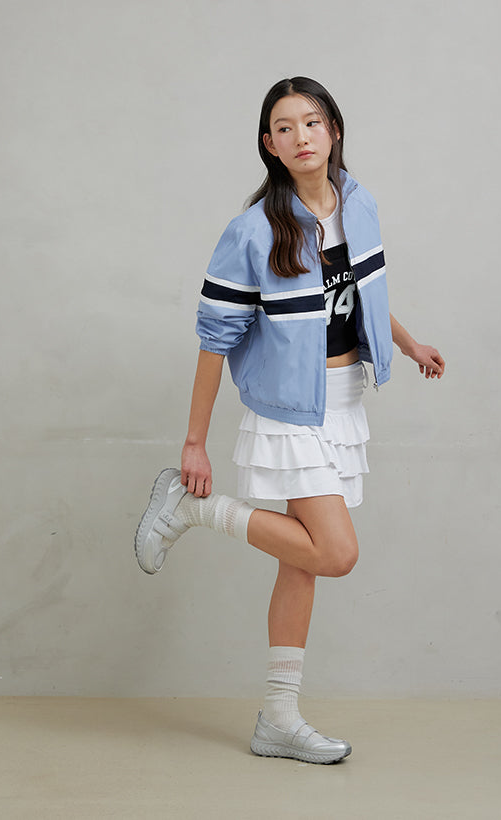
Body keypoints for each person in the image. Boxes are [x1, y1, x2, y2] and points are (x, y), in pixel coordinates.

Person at [134, 77, 445, 764]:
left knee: (299, 563)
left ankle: (278, 718)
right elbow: (215, 340)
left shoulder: (358, 205)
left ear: (333, 130)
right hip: (289, 411)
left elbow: (361, 291)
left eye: (311, 121)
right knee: (335, 553)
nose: (301, 136)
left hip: (344, 403)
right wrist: (194, 443)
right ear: (268, 145)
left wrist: (406, 342)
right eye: (284, 127)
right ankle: (194, 509)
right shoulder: (252, 231)